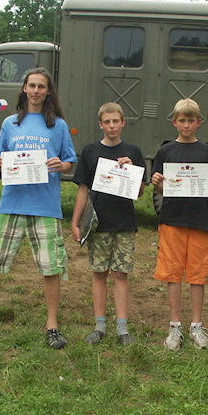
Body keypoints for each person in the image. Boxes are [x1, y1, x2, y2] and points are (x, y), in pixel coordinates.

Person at [0, 68, 76, 349]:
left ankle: (52, 326)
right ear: (24, 88)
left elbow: (70, 160)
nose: (36, 91)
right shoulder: (10, 124)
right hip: (12, 203)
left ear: (48, 91)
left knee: (51, 267)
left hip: (45, 206)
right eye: (31, 85)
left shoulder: (58, 125)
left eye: (41, 86)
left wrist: (61, 165)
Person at [71, 103, 146, 346]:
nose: (112, 126)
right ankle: (100, 326)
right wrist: (75, 222)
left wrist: (132, 170)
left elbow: (140, 192)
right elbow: (83, 189)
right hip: (98, 224)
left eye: (116, 121)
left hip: (124, 223)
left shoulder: (133, 151)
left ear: (123, 123)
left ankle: (122, 329)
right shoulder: (90, 151)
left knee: (121, 274)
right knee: (99, 273)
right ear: (100, 125)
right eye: (107, 122)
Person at [150, 98, 208, 350]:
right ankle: (175, 326)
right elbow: (161, 189)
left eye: (191, 120)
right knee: (173, 273)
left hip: (199, 220)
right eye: (182, 120)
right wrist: (158, 183)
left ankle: (197, 325)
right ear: (174, 122)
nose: (187, 125)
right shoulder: (165, 151)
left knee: (198, 274)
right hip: (172, 220)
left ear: (198, 122)